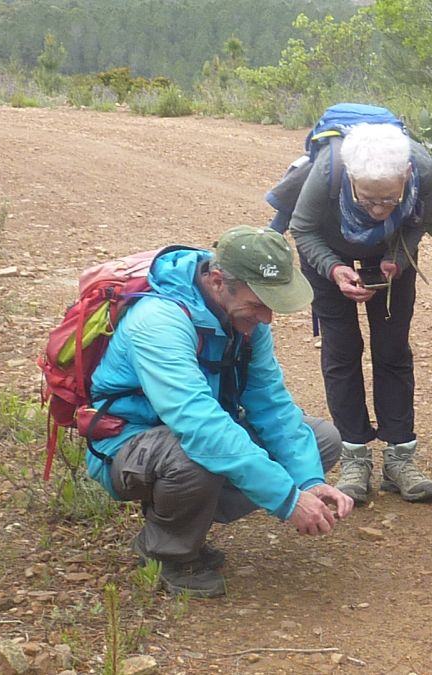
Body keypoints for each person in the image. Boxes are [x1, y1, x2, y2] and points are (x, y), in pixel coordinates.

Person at [86, 226, 353, 598]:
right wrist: (287, 499)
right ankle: (167, 553)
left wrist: (307, 481)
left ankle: (186, 516)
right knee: (196, 456)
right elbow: (200, 426)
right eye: (259, 302)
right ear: (216, 280)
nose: (267, 318)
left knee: (321, 440)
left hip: (188, 437)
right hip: (127, 446)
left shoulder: (242, 319)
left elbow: (272, 404)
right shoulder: (159, 322)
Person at [289, 123, 432, 504]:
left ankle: (399, 458)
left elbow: (416, 223)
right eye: (367, 199)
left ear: (406, 176)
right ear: (351, 178)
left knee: (392, 349)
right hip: (327, 249)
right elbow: (302, 229)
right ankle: (354, 455)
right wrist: (334, 269)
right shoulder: (328, 171)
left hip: (391, 254)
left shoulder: (424, 170)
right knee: (342, 350)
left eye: (389, 199)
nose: (377, 210)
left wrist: (395, 258)